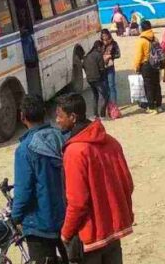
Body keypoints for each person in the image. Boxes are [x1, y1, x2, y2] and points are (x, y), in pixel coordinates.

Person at [56, 93, 134, 264]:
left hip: (91, 237)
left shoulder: (75, 152)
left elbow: (77, 203)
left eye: (60, 116)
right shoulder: (111, 142)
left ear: (73, 117)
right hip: (114, 232)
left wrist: (66, 233)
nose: (57, 120)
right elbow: (127, 183)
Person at [12, 95, 67, 264]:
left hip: (39, 224)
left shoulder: (24, 149)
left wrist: (15, 217)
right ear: (44, 112)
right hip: (68, 218)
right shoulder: (63, 138)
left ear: (22, 117)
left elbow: (23, 190)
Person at [132, 20, 162, 113]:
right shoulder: (155, 38)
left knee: (148, 87)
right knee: (157, 85)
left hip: (146, 66)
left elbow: (138, 56)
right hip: (156, 64)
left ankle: (152, 107)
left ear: (142, 28)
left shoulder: (141, 40)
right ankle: (159, 106)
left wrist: (136, 67)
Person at [83, 41, 109, 118]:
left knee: (95, 96)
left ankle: (95, 114)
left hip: (89, 79)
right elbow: (101, 69)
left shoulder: (87, 56)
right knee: (105, 95)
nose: (102, 50)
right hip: (97, 79)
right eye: (102, 48)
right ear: (98, 47)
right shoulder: (99, 55)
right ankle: (102, 114)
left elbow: (83, 66)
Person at [100, 29, 120, 106]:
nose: (104, 37)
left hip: (110, 67)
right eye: (103, 36)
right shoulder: (100, 44)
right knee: (104, 86)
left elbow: (118, 54)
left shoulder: (113, 43)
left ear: (109, 35)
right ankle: (106, 104)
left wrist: (111, 56)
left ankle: (114, 104)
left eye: (105, 35)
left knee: (111, 85)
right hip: (101, 67)